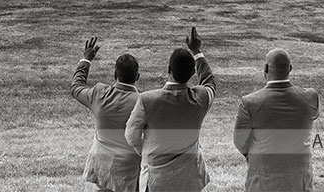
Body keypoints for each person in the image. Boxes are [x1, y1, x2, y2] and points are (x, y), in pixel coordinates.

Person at [124, 26, 216, 192]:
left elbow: (131, 135)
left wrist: (146, 150)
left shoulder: (147, 100)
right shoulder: (201, 98)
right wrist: (196, 51)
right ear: (192, 73)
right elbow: (209, 81)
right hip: (190, 179)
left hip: (157, 180)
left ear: (168, 70)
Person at [233, 48, 320, 192]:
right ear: (290, 68)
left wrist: (254, 156)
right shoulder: (310, 97)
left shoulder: (250, 102)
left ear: (265, 69)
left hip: (263, 181)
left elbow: (240, 141)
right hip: (300, 181)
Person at [71, 36, 142, 192]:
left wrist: (86, 59)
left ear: (115, 74)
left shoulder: (99, 94)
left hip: (102, 168)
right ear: (137, 77)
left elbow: (76, 87)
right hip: (130, 171)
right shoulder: (143, 102)